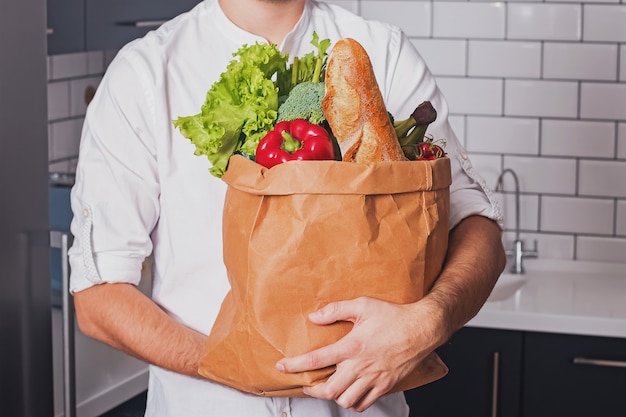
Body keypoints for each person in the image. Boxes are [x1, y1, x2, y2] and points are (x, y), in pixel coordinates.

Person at [69, 0, 506, 415]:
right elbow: (98, 298)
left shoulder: (383, 52)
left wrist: (429, 322)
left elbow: (476, 225)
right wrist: (239, 365)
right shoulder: (145, 74)